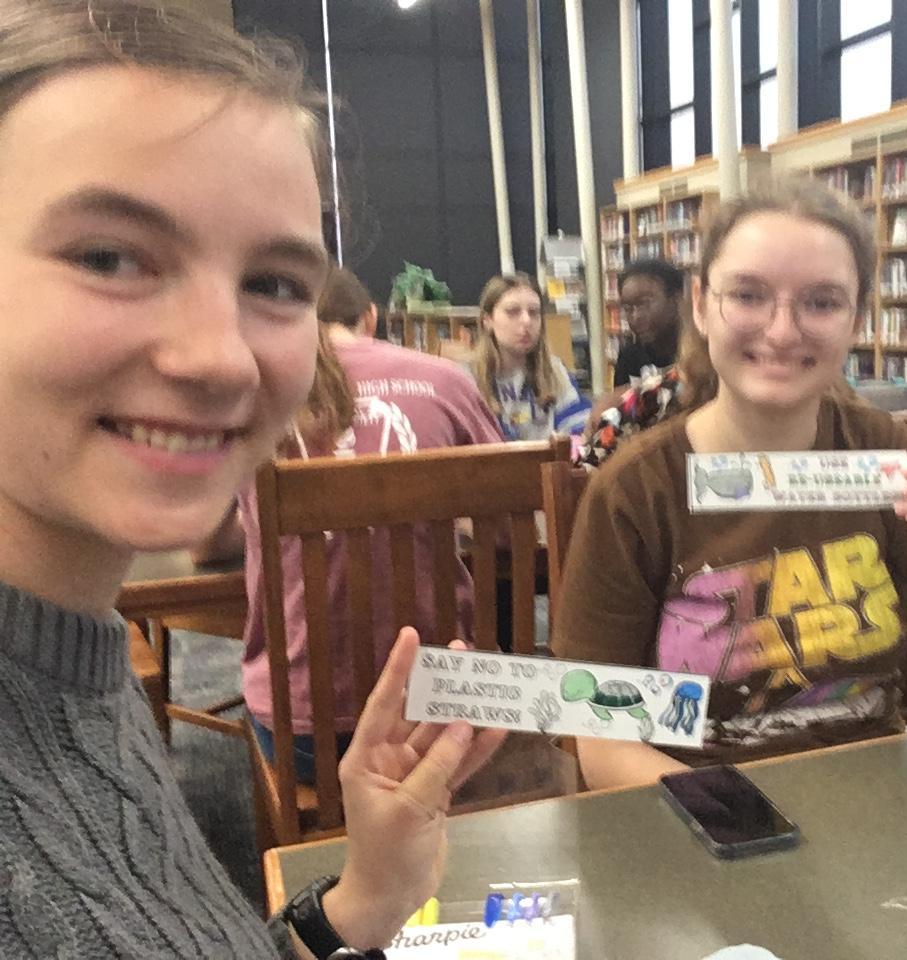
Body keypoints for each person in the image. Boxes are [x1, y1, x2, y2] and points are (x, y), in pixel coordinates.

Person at [0, 3, 502, 956]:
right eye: (109, 257)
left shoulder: (76, 657)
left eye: (274, 283)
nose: (222, 359)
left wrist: (362, 902)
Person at [551, 178, 907, 791]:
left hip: (874, 800)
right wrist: (744, 819)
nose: (781, 331)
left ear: (857, 320)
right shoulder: (635, 491)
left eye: (821, 303)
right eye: (748, 295)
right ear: (701, 305)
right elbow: (600, 740)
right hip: (696, 813)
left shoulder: (880, 450)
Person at [224, 266, 505, 784]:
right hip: (445, 717)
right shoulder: (446, 380)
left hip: (305, 734)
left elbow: (204, 544)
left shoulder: (255, 391)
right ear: (370, 318)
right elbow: (507, 523)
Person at [470, 272, 590, 440]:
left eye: (534, 312)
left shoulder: (554, 371)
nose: (526, 321)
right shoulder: (467, 378)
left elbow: (579, 433)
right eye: (513, 312)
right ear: (487, 320)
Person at [614, 258, 684, 386]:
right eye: (628, 308)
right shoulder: (630, 358)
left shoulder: (701, 354)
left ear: (675, 300)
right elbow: (623, 398)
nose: (635, 317)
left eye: (644, 304)